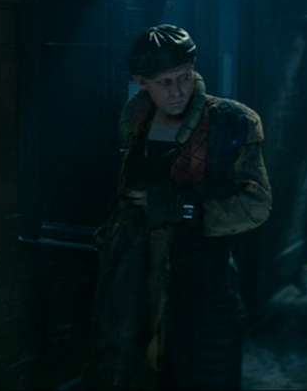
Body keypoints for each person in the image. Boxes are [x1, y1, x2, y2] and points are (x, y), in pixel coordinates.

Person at [87, 24, 272, 390]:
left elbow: (256, 203)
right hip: (139, 281)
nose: (177, 91)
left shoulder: (230, 121)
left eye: (184, 77)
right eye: (165, 83)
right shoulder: (135, 119)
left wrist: (181, 207)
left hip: (204, 285)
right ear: (142, 83)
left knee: (206, 376)